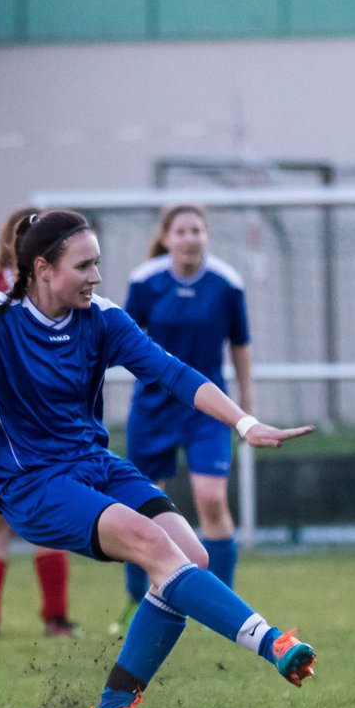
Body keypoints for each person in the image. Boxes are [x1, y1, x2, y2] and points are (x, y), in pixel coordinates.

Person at [0, 210, 317, 708]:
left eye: (98, 264)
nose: (96, 276)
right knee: (150, 542)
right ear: (43, 269)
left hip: (94, 465)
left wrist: (244, 421)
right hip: (32, 484)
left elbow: (174, 372)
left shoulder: (102, 318)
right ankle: (273, 641)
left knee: (192, 557)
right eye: (85, 265)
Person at [114, 204, 252, 633]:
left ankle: (221, 604)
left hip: (206, 409)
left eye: (197, 230)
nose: (190, 237)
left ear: (206, 235)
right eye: (182, 230)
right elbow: (121, 339)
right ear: (167, 237)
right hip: (153, 409)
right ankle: (138, 601)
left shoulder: (226, 283)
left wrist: (246, 408)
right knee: (142, 506)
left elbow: (240, 346)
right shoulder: (145, 281)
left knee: (211, 499)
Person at [0, 207, 77, 639]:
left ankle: (57, 618)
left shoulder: (61, 290)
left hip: (45, 428)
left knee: (48, 519)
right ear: (11, 242)